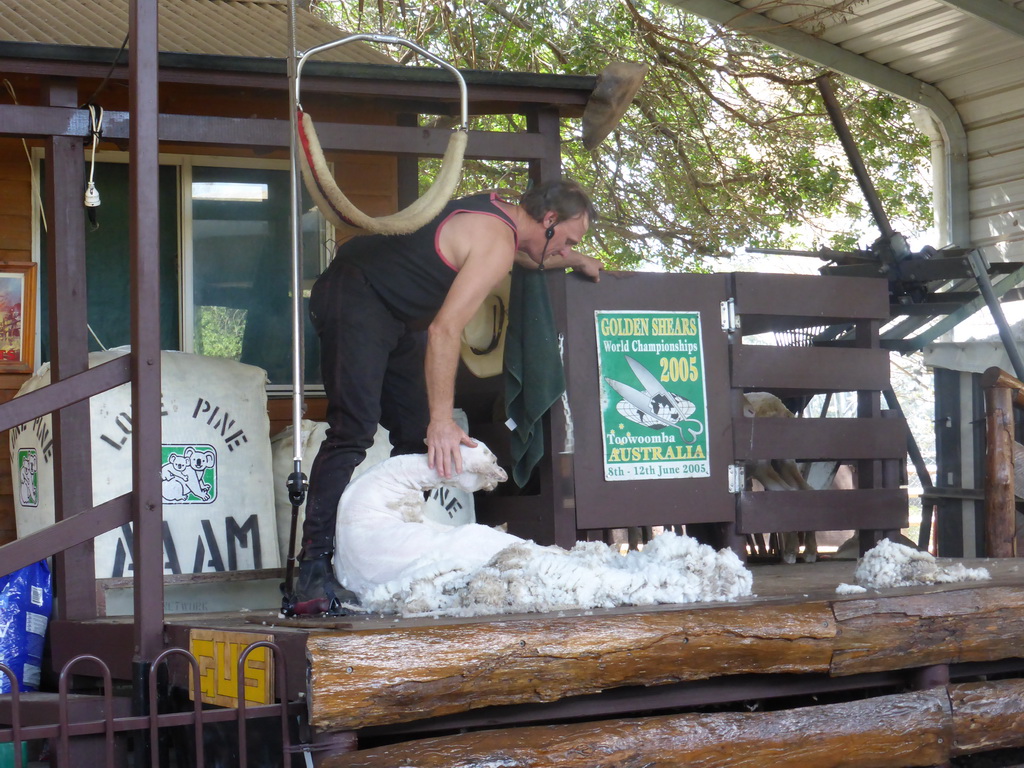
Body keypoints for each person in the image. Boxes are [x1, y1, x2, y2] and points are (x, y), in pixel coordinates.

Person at [295, 179, 601, 609]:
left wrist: (577, 260)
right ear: (549, 220)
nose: (563, 249)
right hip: (356, 294)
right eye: (567, 240)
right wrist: (443, 422)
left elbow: (527, 256)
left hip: (399, 316)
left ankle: (391, 549)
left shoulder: (502, 221)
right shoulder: (495, 240)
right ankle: (313, 571)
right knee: (354, 430)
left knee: (413, 435)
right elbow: (445, 331)